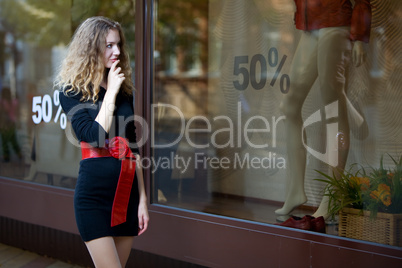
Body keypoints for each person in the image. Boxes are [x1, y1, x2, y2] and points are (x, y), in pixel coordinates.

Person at [57, 16, 149, 267]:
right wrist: (111, 93)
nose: (117, 51)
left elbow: (133, 148)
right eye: (109, 45)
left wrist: (142, 201)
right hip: (93, 198)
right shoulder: (70, 91)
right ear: (91, 47)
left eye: (118, 44)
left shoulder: (125, 90)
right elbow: (94, 136)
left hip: (127, 194)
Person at [275, 1, 371, 219]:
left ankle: (333, 194)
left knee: (332, 104)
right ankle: (295, 190)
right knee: (289, 106)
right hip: (311, 28)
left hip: (337, 24)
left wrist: (358, 38)